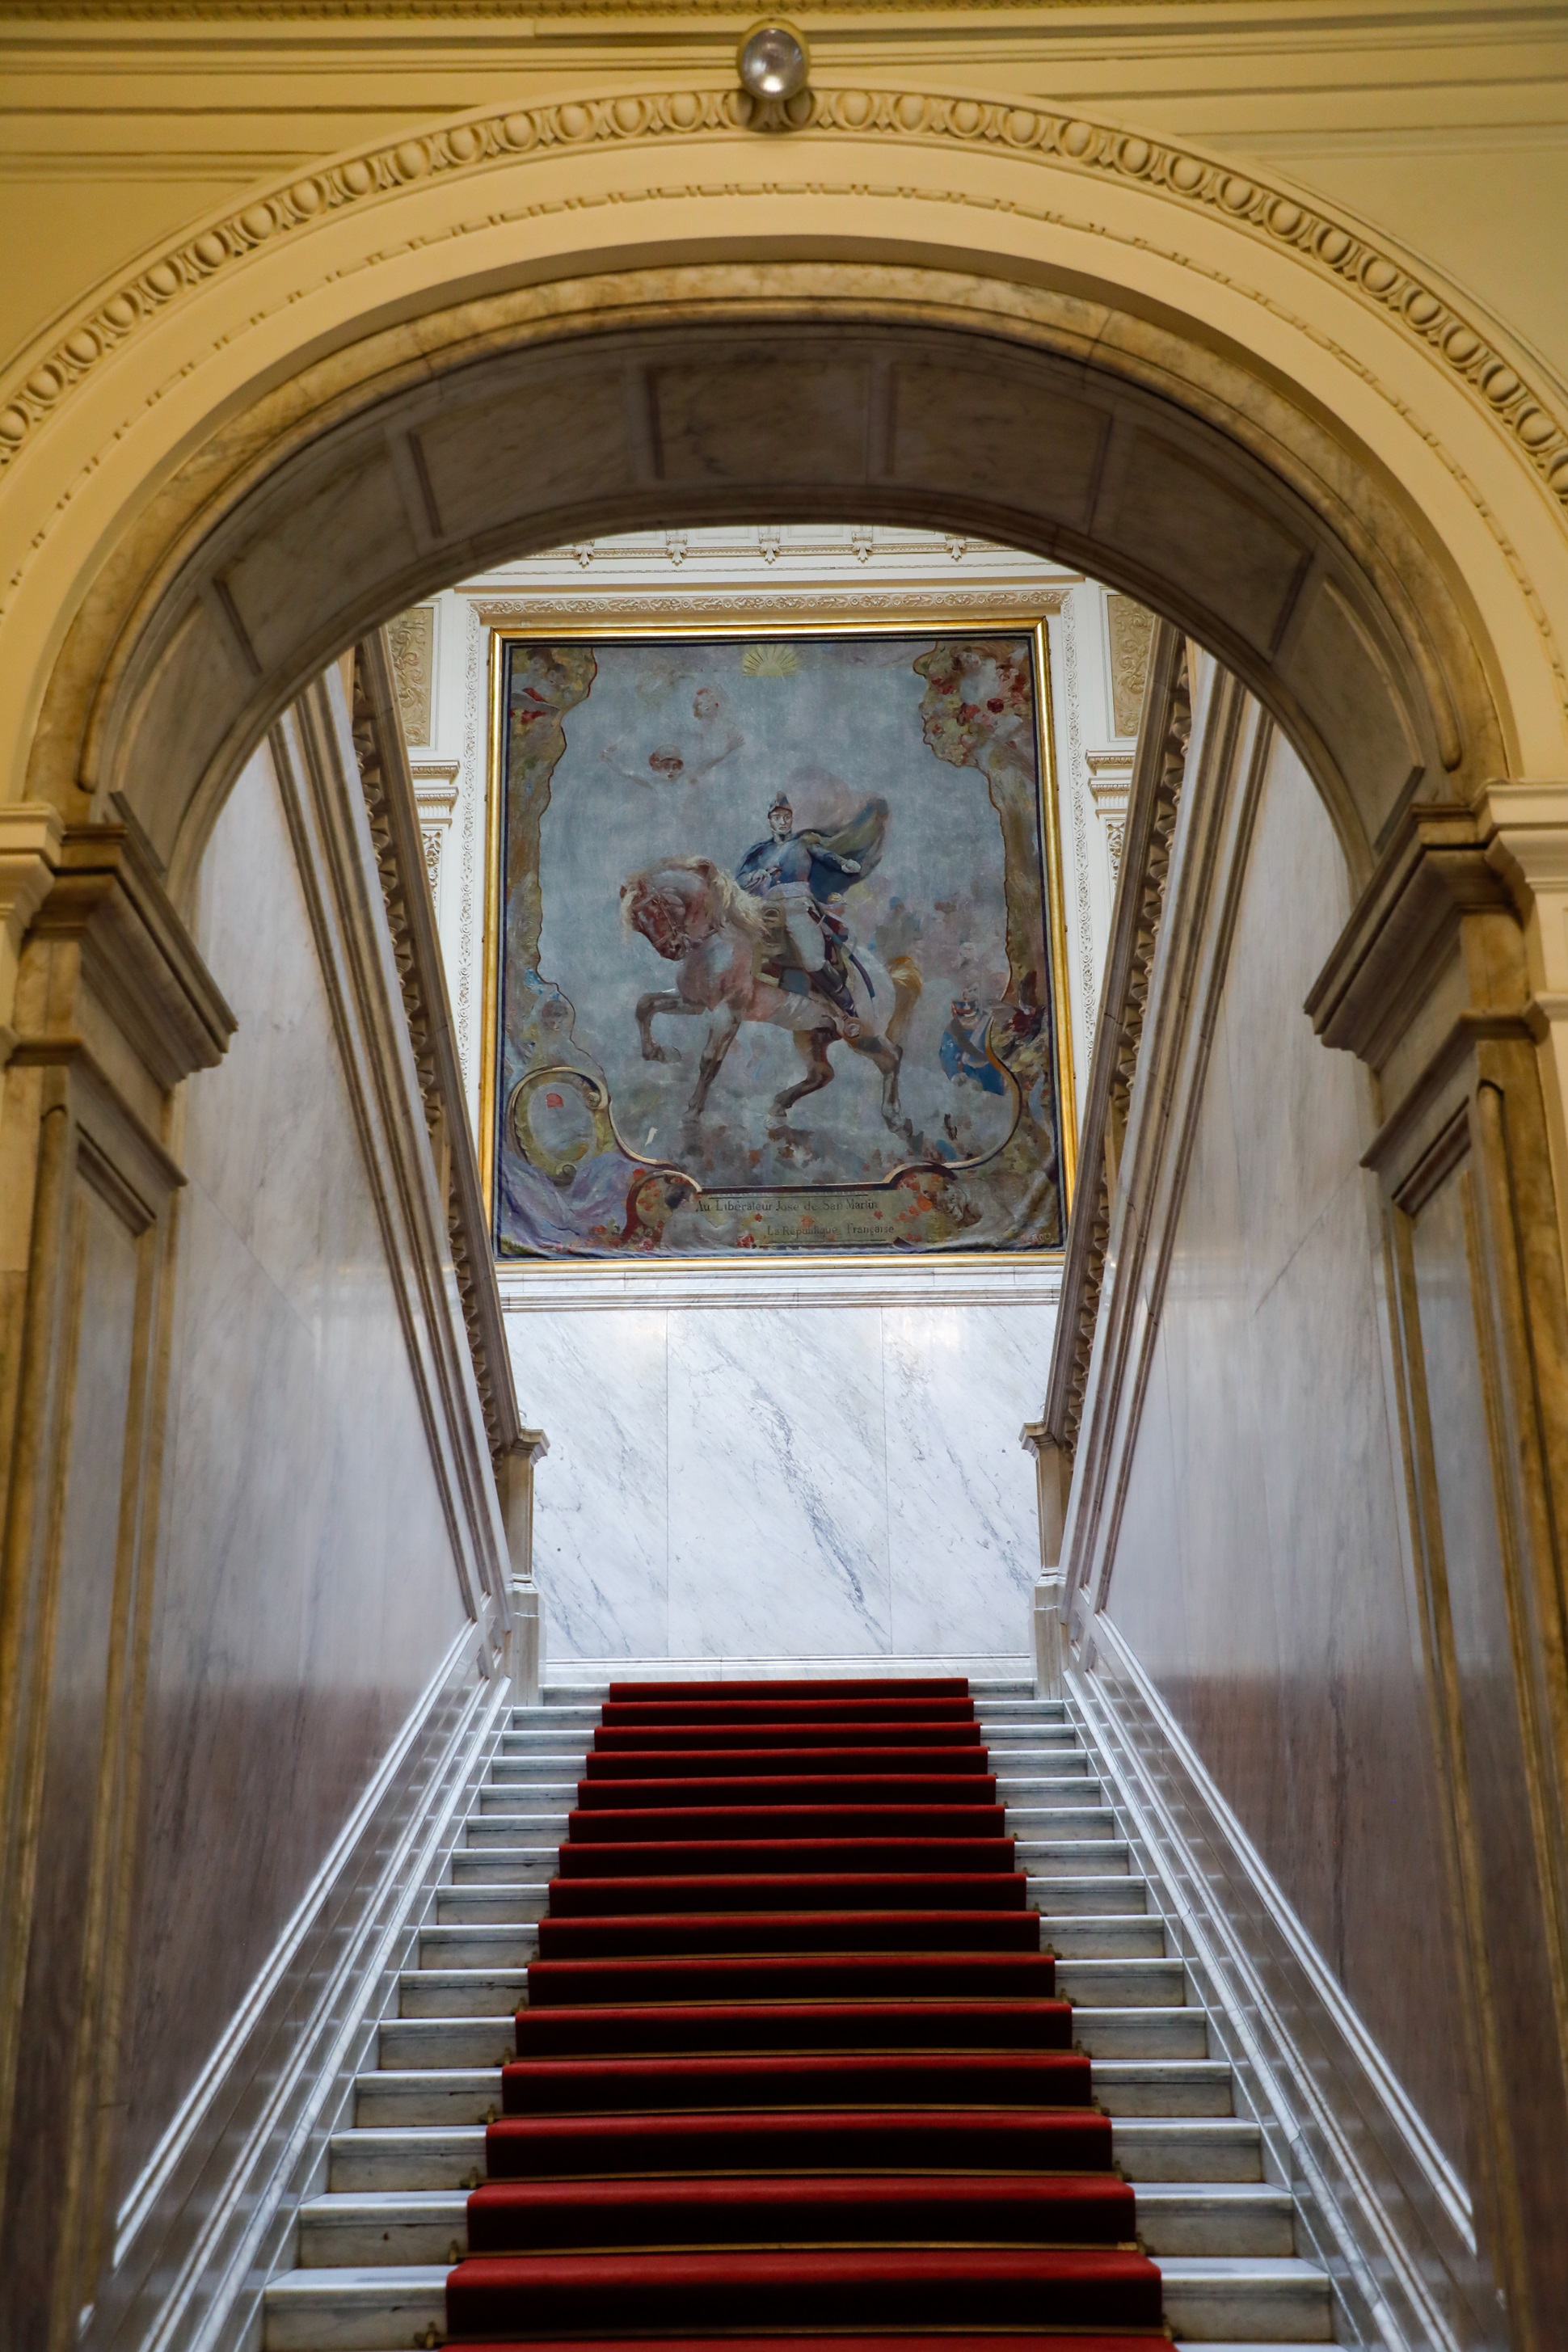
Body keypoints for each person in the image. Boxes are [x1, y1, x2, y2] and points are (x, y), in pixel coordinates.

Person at [735, 792, 862, 1021]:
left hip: (797, 908)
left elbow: (826, 856)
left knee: (813, 960)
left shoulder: (802, 844)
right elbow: (740, 880)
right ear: (770, 820)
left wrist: (844, 864)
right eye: (778, 817)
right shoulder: (760, 852)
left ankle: (845, 1004)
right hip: (765, 910)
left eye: (787, 817)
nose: (783, 822)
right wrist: (759, 874)